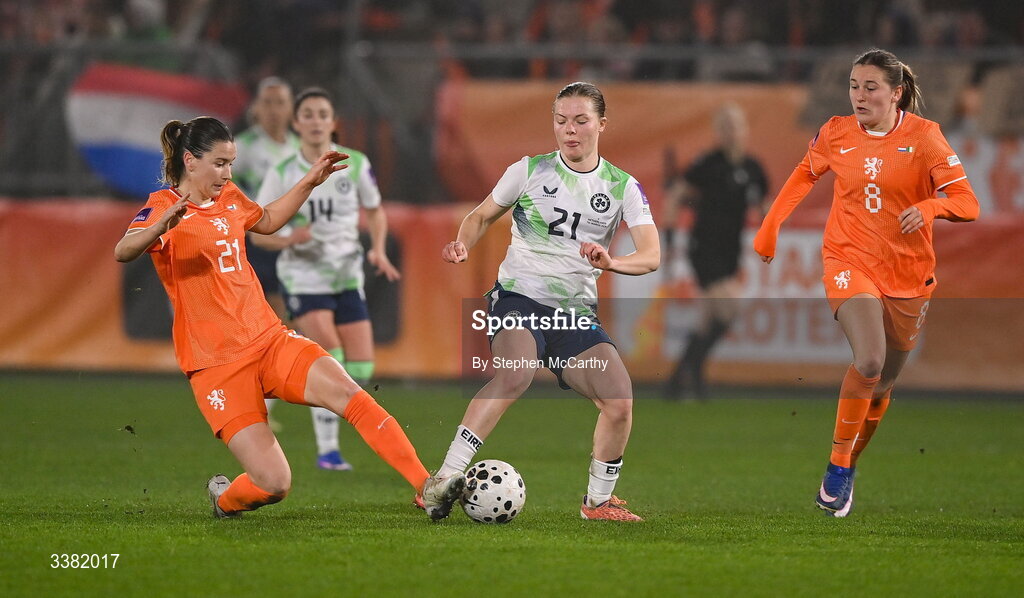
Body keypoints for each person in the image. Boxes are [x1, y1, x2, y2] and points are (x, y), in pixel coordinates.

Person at [113, 116, 463, 518]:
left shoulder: (228, 197)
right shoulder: (162, 207)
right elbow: (123, 251)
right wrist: (160, 226)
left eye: (231, 163)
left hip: (269, 340)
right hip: (216, 365)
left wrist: (308, 183)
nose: (228, 173)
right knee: (274, 484)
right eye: (220, 163)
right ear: (190, 161)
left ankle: (427, 488)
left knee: (351, 395)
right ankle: (224, 502)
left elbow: (268, 220)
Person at [753, 49, 979, 517]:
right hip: (848, 258)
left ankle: (849, 465)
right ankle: (837, 466)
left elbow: (967, 202)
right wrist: (771, 224)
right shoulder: (836, 132)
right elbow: (803, 174)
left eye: (870, 87)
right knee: (870, 358)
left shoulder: (926, 137)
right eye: (854, 85)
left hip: (909, 273)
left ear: (896, 93)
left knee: (884, 382)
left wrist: (933, 207)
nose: (859, 95)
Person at [423, 82, 660, 522]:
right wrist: (462, 244)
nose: (569, 130)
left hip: (574, 315)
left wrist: (611, 262)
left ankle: (598, 503)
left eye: (581, 120)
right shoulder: (529, 170)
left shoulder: (623, 186)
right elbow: (479, 217)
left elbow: (651, 256)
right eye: (561, 120)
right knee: (516, 372)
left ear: (602, 125)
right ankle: (444, 478)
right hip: (519, 299)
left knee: (620, 400)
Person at [251, 87, 401, 472]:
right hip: (303, 278)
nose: (316, 121)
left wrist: (379, 249)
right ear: (297, 122)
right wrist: (289, 238)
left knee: (362, 369)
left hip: (346, 276)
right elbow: (256, 231)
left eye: (323, 114)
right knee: (330, 355)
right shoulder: (282, 171)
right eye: (309, 114)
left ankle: (274, 388)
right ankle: (328, 452)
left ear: (333, 122)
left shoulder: (356, 163)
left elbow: (376, 211)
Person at [663, 103, 768, 400]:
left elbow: (764, 206)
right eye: (725, 127)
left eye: (735, 126)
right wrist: (670, 238)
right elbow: (675, 196)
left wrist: (771, 224)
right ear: (718, 132)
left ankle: (678, 381)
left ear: (745, 129)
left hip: (730, 250)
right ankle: (691, 373)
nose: (731, 132)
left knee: (709, 319)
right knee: (729, 308)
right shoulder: (708, 164)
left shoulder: (752, 168)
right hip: (703, 248)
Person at [235, 77, 300, 322]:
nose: (274, 110)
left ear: (291, 108)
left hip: (288, 241)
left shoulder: (299, 149)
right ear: (257, 108)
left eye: (280, 103)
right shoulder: (242, 148)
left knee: (288, 314)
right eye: (268, 103)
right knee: (256, 312)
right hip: (253, 242)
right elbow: (218, 190)